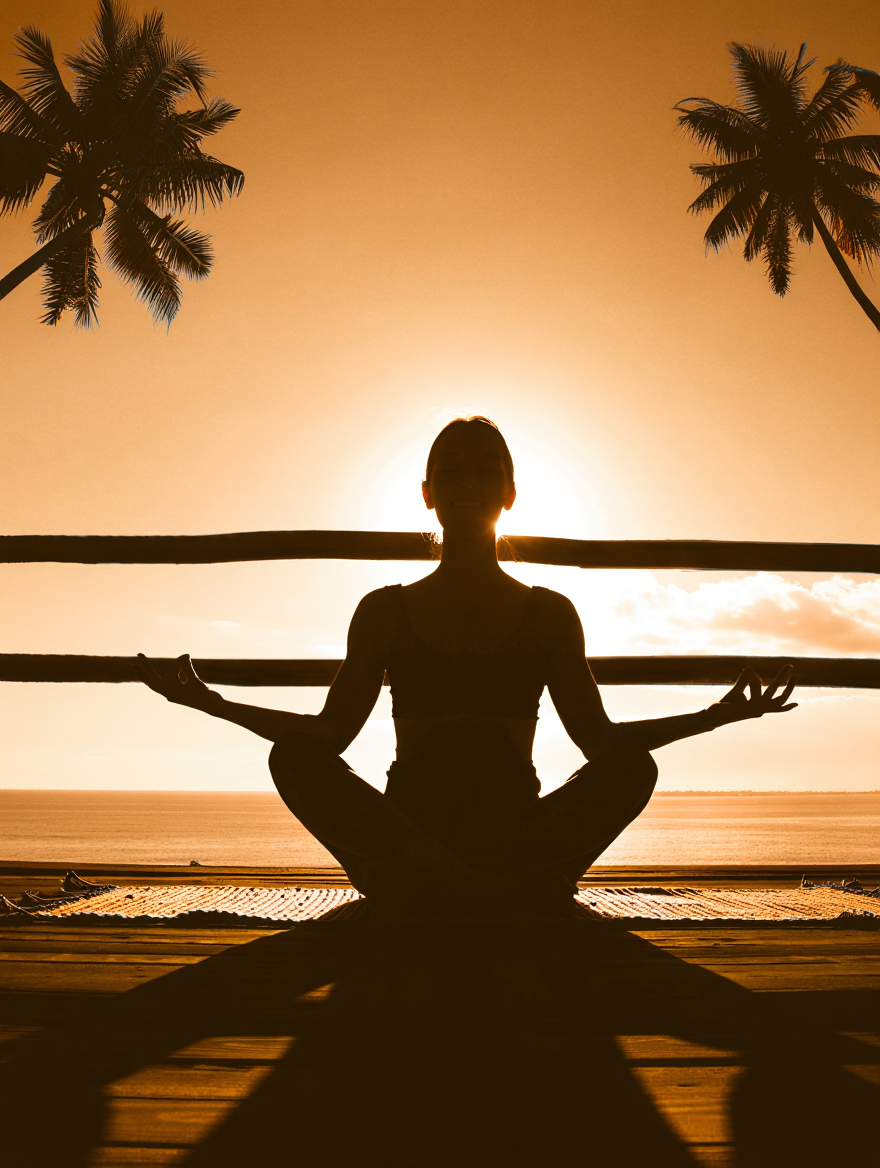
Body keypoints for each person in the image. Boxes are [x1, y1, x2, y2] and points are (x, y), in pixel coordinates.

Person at [137, 417, 797, 918]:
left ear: (510, 492)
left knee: (634, 769)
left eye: (486, 470)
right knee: (293, 759)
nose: (470, 483)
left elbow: (600, 742)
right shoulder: (385, 611)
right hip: (409, 834)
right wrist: (209, 701)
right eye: (452, 471)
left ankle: (450, 889)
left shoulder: (548, 613)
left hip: (512, 832)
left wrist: (716, 717)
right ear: (428, 493)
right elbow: (328, 736)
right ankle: (492, 894)